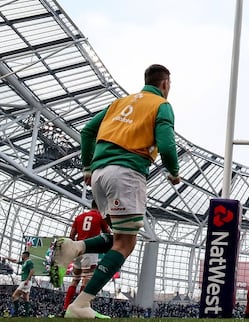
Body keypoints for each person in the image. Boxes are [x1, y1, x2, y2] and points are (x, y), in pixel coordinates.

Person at [54, 64, 180, 319]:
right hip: (127, 172)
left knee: (120, 239)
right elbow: (167, 144)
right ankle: (80, 305)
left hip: (100, 174)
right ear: (165, 84)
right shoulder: (160, 105)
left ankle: (77, 248)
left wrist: (87, 166)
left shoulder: (119, 103)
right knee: (126, 243)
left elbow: (88, 130)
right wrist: (173, 172)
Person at [63, 200, 112, 311]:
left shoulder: (79, 217)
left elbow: (71, 235)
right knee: (86, 279)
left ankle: (65, 307)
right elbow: (108, 233)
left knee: (75, 280)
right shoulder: (100, 217)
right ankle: (79, 308)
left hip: (78, 249)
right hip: (91, 250)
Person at [6, 251, 34, 316]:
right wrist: (8, 258)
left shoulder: (29, 262)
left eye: (22, 255)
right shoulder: (24, 262)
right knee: (26, 298)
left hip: (25, 281)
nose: (21, 256)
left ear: (26, 256)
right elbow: (15, 261)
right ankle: (26, 314)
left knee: (14, 296)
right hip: (26, 282)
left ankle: (16, 313)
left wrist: (27, 280)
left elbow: (32, 271)